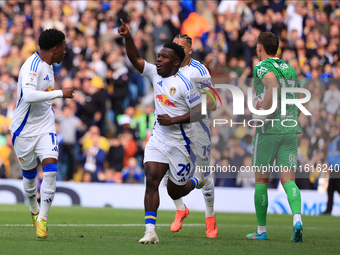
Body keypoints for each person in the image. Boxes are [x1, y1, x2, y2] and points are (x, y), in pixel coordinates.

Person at [118, 19, 205, 244]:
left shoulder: (186, 84)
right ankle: (150, 231)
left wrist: (174, 119)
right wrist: (128, 38)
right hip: (159, 138)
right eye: (158, 56)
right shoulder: (156, 74)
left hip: (181, 143)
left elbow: (200, 111)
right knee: (152, 179)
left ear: (175, 63)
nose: (158, 59)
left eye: (164, 57)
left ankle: (198, 181)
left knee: (175, 191)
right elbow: (136, 59)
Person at [9, 28, 74, 239]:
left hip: (45, 125)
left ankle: (43, 220)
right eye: (63, 48)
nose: (65, 52)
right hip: (24, 129)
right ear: (54, 49)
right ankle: (34, 209)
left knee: (51, 169)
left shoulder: (48, 63)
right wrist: (60, 93)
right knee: (28, 176)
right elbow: (27, 95)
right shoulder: (32, 66)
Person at [246, 32, 303, 242]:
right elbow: (297, 98)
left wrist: (265, 112)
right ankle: (297, 220)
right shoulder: (289, 69)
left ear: (260, 48)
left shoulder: (262, 66)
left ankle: (261, 230)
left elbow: (273, 87)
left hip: (269, 130)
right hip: (289, 130)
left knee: (261, 181)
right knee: (289, 181)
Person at [164, 34, 217, 238]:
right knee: (168, 168)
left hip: (197, 127)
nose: (177, 49)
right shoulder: (168, 66)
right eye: (174, 45)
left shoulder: (199, 70)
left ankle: (210, 217)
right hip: (174, 128)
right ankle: (180, 208)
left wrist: (190, 112)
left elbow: (211, 99)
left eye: (181, 46)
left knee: (202, 176)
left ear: (190, 50)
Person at [323, 125, 340, 214]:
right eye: (331, 131)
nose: (332, 133)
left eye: (334, 131)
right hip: (333, 168)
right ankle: (328, 210)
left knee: (336, 188)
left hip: (338, 168)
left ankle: (328, 210)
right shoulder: (332, 142)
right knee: (330, 190)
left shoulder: (338, 140)